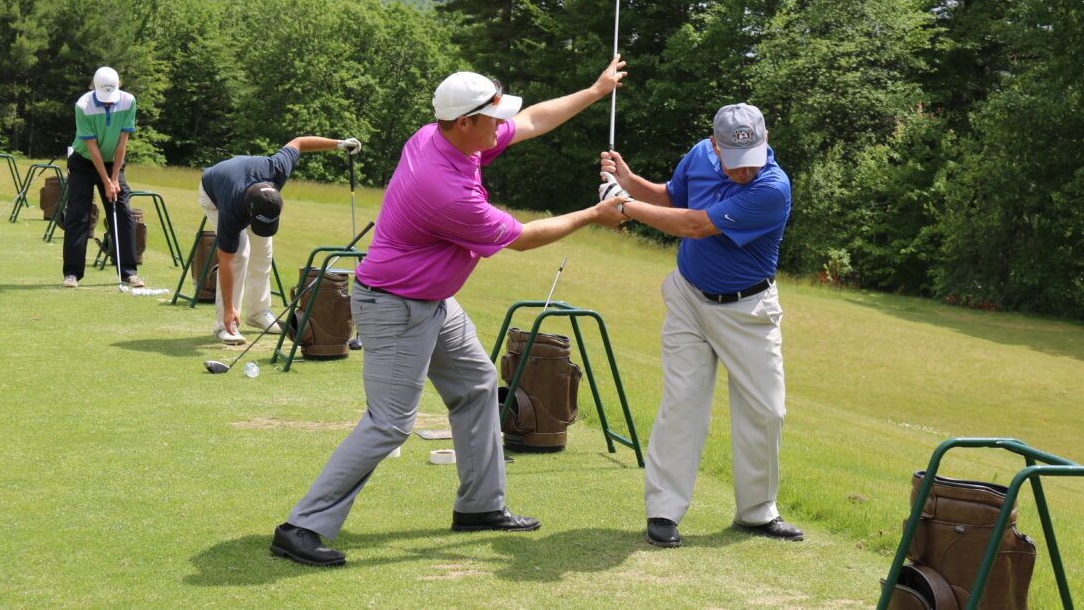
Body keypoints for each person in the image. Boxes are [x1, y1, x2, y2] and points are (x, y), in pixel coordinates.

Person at [269, 57, 631, 567]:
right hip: (396, 307)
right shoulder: (445, 190)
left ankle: (481, 507)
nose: (503, 123)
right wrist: (594, 214)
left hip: (431, 301)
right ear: (466, 121)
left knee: (478, 385)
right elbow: (523, 240)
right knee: (390, 423)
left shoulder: (441, 136)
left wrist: (595, 91)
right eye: (493, 116)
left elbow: (531, 121)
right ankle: (301, 526)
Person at [597, 103, 803, 546]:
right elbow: (673, 199)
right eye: (734, 163)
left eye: (751, 162)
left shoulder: (772, 188)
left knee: (767, 412)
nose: (743, 172)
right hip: (689, 297)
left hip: (748, 312)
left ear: (766, 143)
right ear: (715, 146)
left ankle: (756, 513)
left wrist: (624, 205)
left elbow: (693, 225)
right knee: (682, 402)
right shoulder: (699, 155)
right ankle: (664, 512)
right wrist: (629, 182)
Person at [199, 136, 362, 345]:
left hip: (248, 190)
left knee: (263, 252)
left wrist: (338, 144)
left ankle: (257, 313)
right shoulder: (232, 209)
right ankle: (226, 325)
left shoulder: (277, 168)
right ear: (248, 213)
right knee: (240, 254)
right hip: (213, 192)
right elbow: (227, 262)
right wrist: (229, 308)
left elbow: (299, 143)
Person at [62, 67, 142, 288]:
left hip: (113, 163)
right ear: (94, 88)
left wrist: (114, 179)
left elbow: (122, 142)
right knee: (78, 215)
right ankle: (72, 274)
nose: (108, 102)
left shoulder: (128, 101)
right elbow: (92, 146)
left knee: (123, 213)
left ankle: (128, 272)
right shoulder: (83, 105)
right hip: (85, 162)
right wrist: (106, 181)